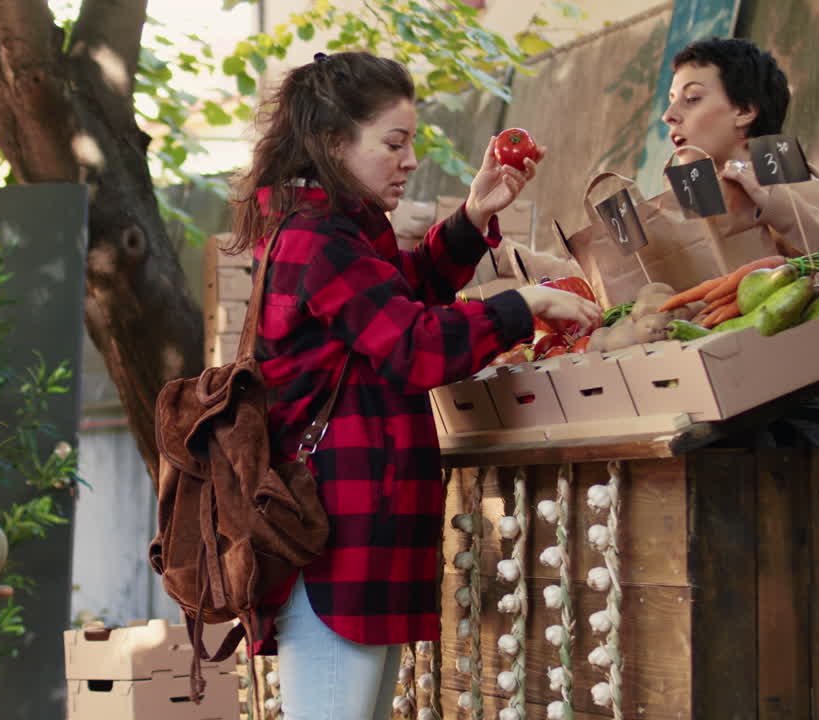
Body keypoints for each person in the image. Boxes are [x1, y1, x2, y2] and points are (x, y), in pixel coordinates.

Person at [225, 51, 600, 719]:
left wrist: (471, 216)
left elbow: (400, 297)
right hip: (336, 547)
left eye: (410, 145)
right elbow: (412, 344)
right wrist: (523, 303)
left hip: (360, 542)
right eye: (393, 144)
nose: (407, 161)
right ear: (336, 143)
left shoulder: (339, 232)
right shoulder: (316, 240)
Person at [662, 36, 819, 445]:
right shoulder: (696, 190)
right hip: (735, 405)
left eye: (691, 99)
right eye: (672, 99)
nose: (669, 115)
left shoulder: (781, 170)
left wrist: (772, 202)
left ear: (745, 111)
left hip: (816, 414)